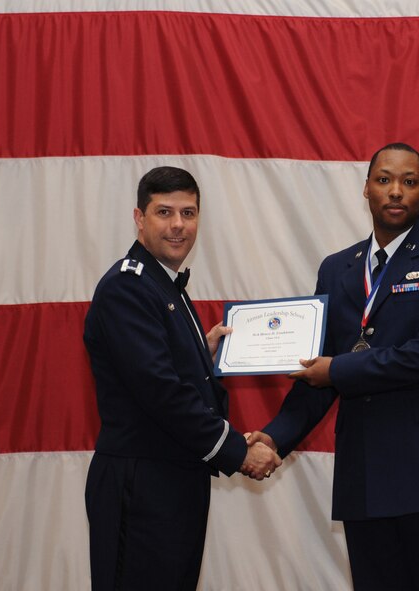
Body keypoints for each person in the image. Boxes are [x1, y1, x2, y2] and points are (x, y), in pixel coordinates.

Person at [246, 143, 419, 590]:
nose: (396, 191)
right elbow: (316, 372)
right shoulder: (338, 269)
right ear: (366, 189)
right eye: (384, 180)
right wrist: (274, 437)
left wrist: (335, 371)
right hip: (366, 477)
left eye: (409, 182)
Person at [83, 166, 281, 590]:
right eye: (164, 212)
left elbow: (160, 368)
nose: (178, 225)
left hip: (171, 478)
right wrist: (236, 450)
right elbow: (161, 391)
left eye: (188, 213)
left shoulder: (165, 284)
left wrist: (198, 353)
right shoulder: (128, 286)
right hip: (142, 484)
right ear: (139, 218)